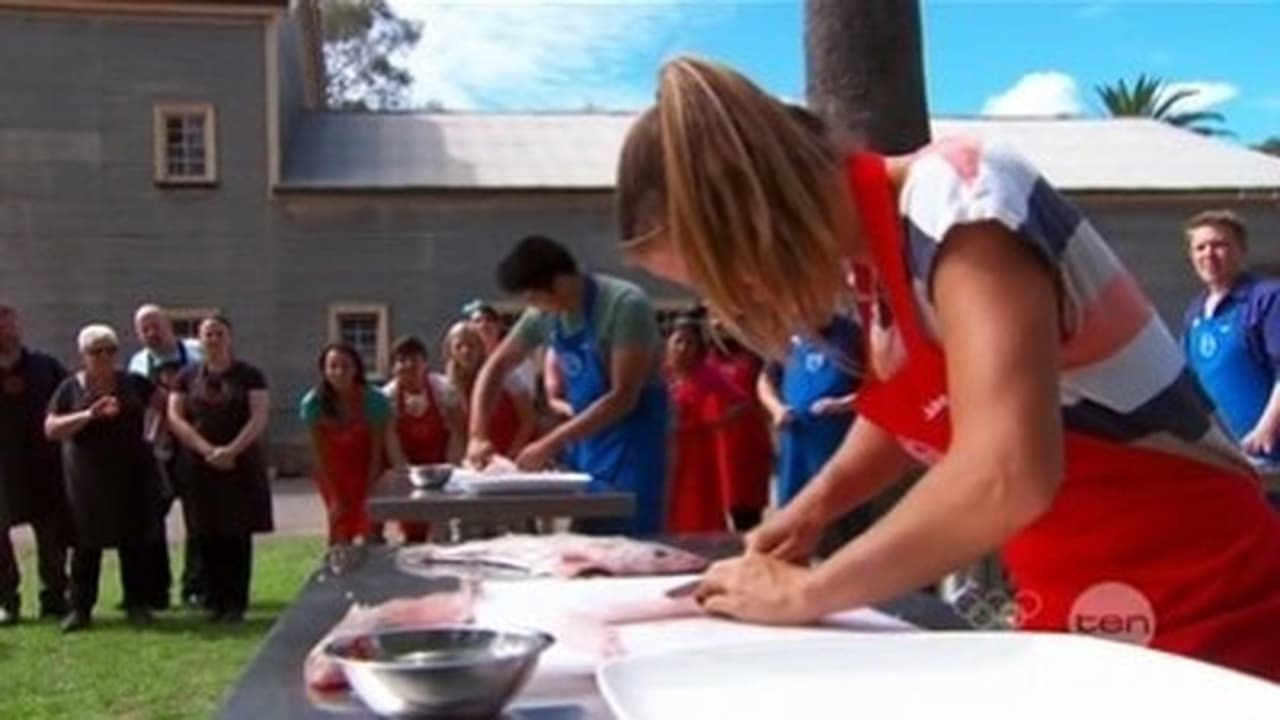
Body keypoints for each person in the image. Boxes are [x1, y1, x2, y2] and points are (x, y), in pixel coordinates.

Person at [613, 57, 1280, 679]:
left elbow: (1005, 470)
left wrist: (812, 590)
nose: (739, 301)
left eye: (720, 273)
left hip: (1203, 604)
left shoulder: (963, 199)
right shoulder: (878, 267)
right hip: (1082, 603)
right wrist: (814, 507)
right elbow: (919, 409)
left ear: (753, 211)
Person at [466, 235, 669, 536]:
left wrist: (549, 444)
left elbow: (623, 396)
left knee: (630, 543)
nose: (533, 307)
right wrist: (478, 434)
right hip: (586, 443)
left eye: (534, 297)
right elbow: (496, 366)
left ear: (558, 283)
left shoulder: (625, 305)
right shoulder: (545, 316)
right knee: (585, 541)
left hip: (632, 441)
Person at [45, 324, 162, 632]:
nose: (105, 357)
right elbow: (52, 428)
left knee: (134, 540)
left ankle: (137, 604)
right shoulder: (71, 387)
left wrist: (154, 436)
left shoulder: (133, 382)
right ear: (83, 355)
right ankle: (80, 609)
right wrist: (88, 415)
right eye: (97, 351)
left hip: (131, 472)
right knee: (85, 545)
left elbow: (164, 405)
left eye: (111, 350)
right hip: (86, 478)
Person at [166, 316, 273, 623]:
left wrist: (231, 450)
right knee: (205, 531)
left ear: (229, 337)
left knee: (237, 533)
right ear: (199, 340)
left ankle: (236, 603)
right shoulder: (186, 376)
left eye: (219, 333)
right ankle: (212, 600)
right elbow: (176, 417)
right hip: (199, 467)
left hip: (240, 465)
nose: (213, 339)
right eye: (207, 334)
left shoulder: (250, 375)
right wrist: (207, 450)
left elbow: (259, 416)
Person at [1181, 210, 1280, 470]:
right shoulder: (1195, 313)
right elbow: (1191, 385)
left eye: (1219, 245)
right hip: (1230, 461)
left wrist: (1266, 430)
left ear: (1242, 249)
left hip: (1270, 456)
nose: (1209, 254)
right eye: (1200, 247)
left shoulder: (1267, 299)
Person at [129, 303, 205, 610]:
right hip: (155, 449)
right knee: (149, 520)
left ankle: (196, 586)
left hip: (191, 445)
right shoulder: (137, 364)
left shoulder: (196, 354)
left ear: (169, 325)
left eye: (156, 325)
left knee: (198, 519)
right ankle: (156, 588)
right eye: (144, 329)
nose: (151, 333)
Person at [0, 302, 70, 625]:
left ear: (19, 327)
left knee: (52, 540)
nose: (5, 330)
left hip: (44, 467)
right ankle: (6, 602)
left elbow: (71, 402)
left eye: (9, 323)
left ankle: (54, 598)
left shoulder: (44, 366)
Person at [757, 315, 863, 507]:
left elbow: (879, 387)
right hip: (795, 457)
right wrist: (777, 409)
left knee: (843, 520)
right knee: (794, 517)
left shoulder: (852, 336)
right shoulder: (788, 337)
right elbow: (764, 382)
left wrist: (843, 404)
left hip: (838, 453)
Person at [300, 344, 393, 547]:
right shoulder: (313, 403)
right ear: (324, 371)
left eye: (345, 366)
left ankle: (377, 573)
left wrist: (371, 488)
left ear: (356, 369)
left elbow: (378, 451)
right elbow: (319, 453)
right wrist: (335, 495)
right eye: (333, 366)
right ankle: (338, 570)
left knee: (372, 528)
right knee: (340, 526)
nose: (339, 372)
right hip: (334, 472)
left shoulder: (374, 400)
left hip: (367, 469)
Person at [383, 336, 464, 543]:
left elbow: (457, 431)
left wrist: (450, 469)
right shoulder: (388, 397)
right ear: (393, 367)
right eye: (401, 360)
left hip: (439, 461)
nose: (408, 365)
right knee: (412, 526)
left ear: (425, 363)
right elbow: (390, 438)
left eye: (414, 359)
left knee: (440, 524)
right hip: (407, 461)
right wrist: (404, 473)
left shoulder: (443, 389)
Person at [665, 317, 740, 533]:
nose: (684, 348)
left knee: (697, 500)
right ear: (668, 343)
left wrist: (718, 423)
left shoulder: (707, 374)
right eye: (678, 341)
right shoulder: (661, 374)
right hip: (665, 448)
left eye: (690, 343)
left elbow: (742, 403)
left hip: (697, 450)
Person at [705, 317, 773, 531]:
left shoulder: (756, 357)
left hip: (748, 442)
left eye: (724, 321)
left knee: (747, 505)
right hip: (714, 443)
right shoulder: (705, 359)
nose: (719, 326)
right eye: (714, 321)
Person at [444, 322, 535, 458]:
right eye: (459, 346)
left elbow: (529, 421)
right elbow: (461, 432)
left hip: (517, 452)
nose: (465, 351)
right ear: (450, 351)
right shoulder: (449, 386)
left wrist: (512, 455)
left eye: (471, 345)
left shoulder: (504, 375)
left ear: (481, 347)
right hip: (483, 458)